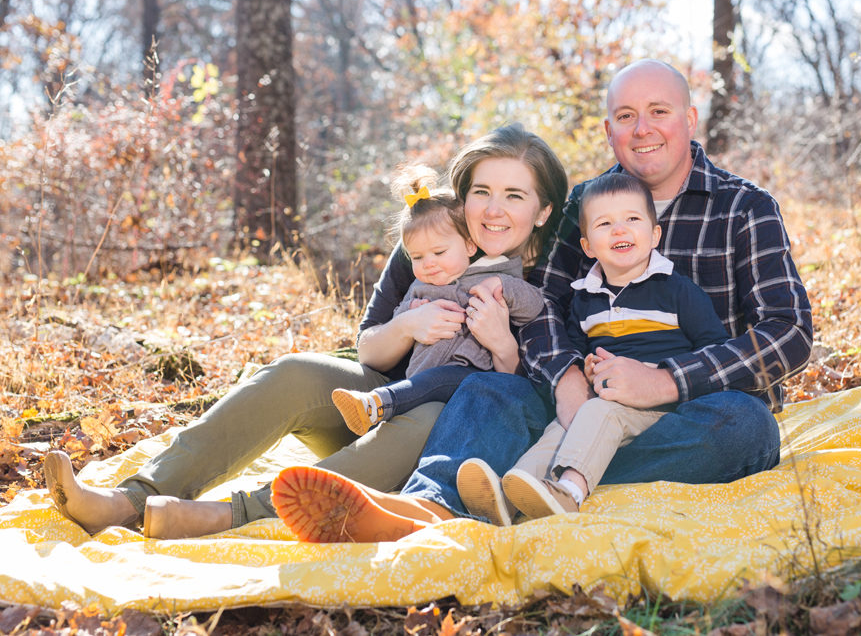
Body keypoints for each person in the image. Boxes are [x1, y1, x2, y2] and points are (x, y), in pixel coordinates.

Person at [268, 58, 814, 542]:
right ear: (609, 130)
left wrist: (667, 381)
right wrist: (569, 380)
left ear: (689, 120)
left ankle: (526, 482)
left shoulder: (746, 207)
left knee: (748, 427)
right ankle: (428, 503)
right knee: (493, 387)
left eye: (658, 111)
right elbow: (546, 307)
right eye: (626, 116)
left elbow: (789, 332)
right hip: (583, 403)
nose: (642, 128)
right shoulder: (586, 202)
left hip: (693, 412)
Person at [42, 123, 567, 539]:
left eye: (515, 196)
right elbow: (369, 347)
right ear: (462, 195)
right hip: (375, 405)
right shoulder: (431, 238)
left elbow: (541, 395)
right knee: (294, 371)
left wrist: (501, 342)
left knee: (428, 411)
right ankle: (130, 498)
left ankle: (233, 514)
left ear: (543, 210)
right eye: (482, 191)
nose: (494, 210)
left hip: (451, 441)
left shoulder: (556, 276)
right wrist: (408, 325)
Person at [475, 172, 730, 521]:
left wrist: (662, 377)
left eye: (632, 220)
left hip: (659, 408)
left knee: (597, 413)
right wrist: (586, 367)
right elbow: (575, 352)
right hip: (601, 399)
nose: (620, 230)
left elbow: (713, 348)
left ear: (654, 235)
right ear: (588, 246)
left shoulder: (677, 290)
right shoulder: (584, 298)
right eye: (605, 223)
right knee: (563, 425)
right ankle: (511, 497)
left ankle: (570, 493)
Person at [331, 164, 544, 436]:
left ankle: (379, 402)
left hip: (470, 378)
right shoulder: (420, 287)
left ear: (469, 245)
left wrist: (504, 286)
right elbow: (394, 322)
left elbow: (533, 305)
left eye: (439, 252)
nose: (428, 264)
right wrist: (408, 316)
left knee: (439, 381)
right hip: (418, 379)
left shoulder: (495, 272)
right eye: (417, 258)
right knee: (421, 394)